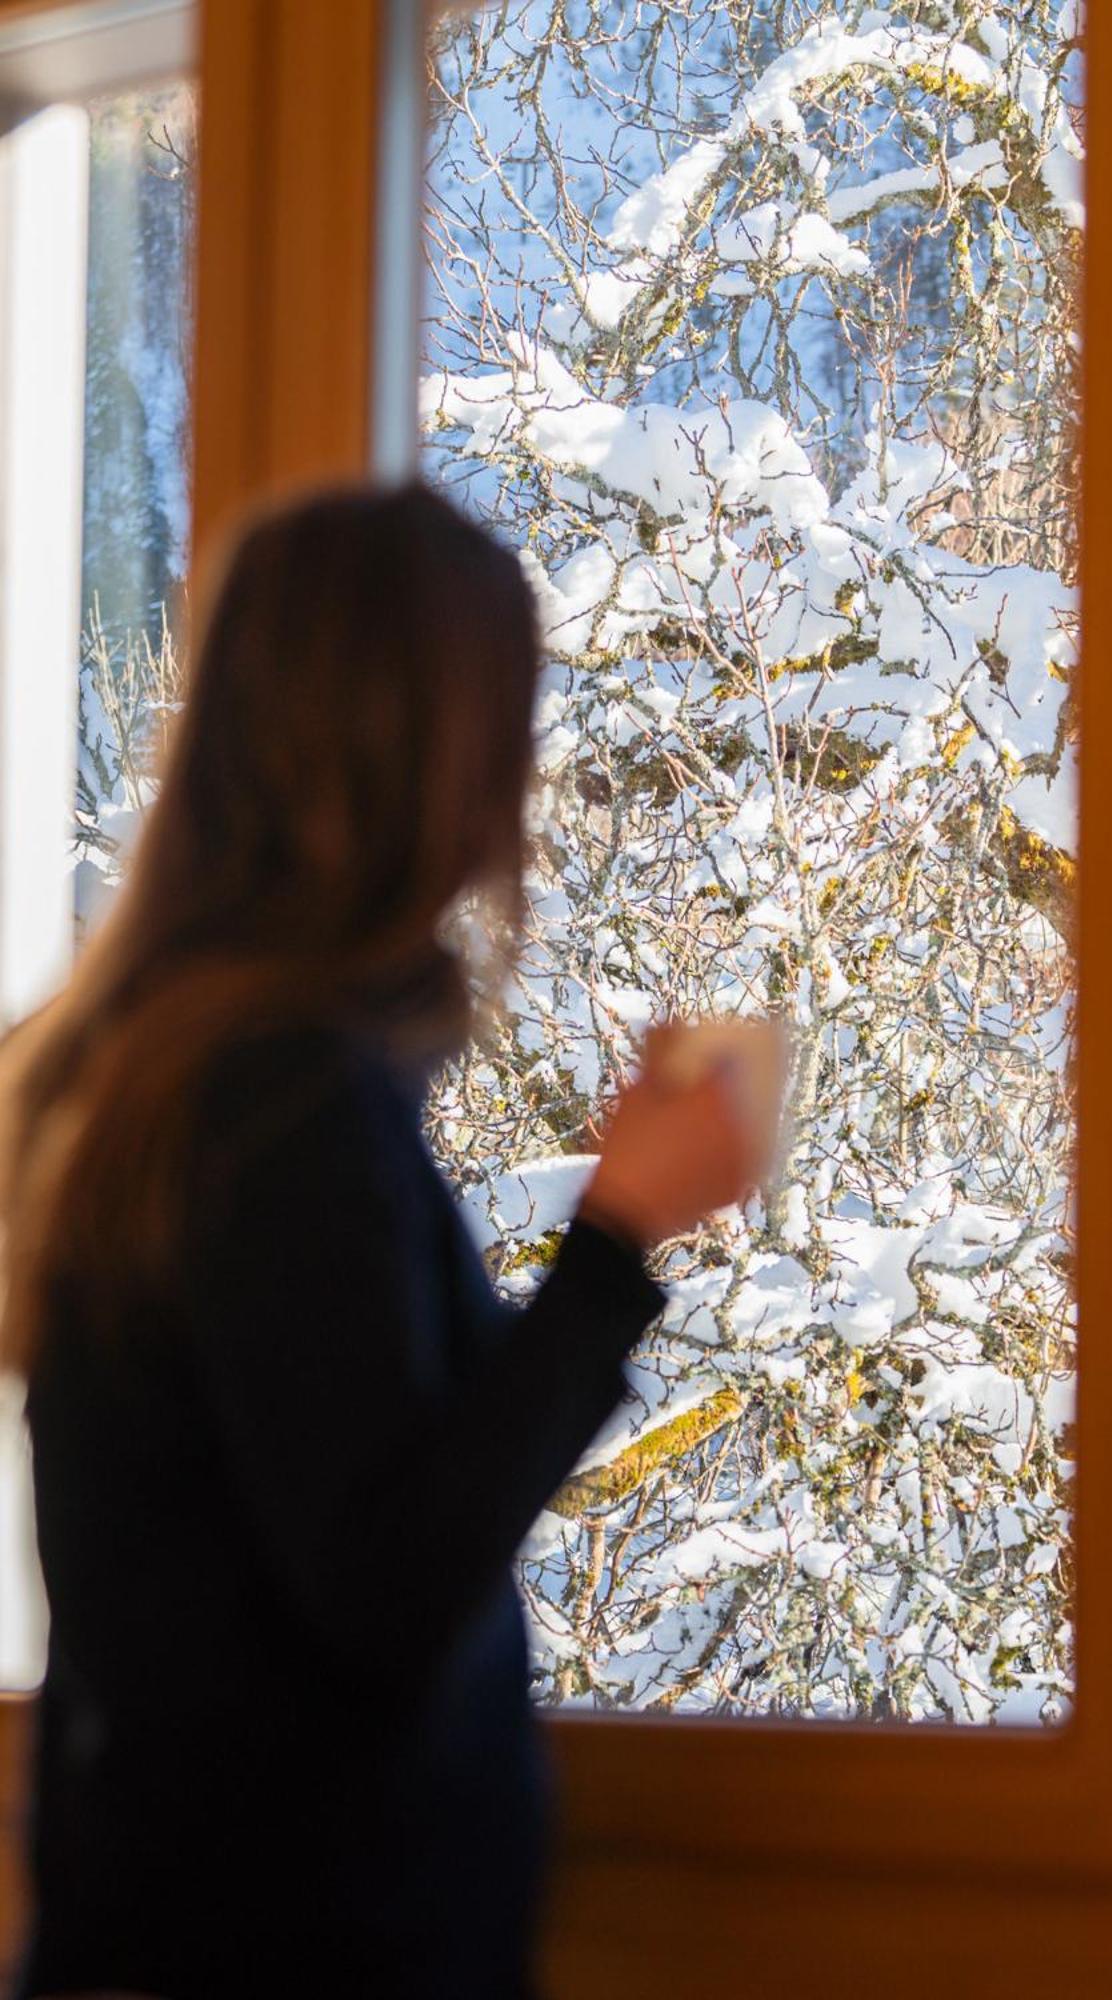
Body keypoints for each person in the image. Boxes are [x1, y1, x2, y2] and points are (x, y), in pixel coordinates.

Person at [0, 483, 751, 1999]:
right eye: (508, 724)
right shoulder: (274, 1103)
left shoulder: (175, 1073)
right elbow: (383, 1572)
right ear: (432, 754)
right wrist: (617, 1240)